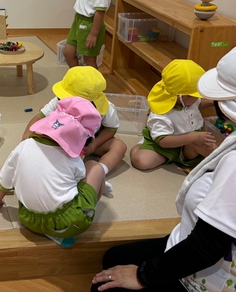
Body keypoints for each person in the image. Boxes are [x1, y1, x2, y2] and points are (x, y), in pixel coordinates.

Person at [91, 47, 236, 292]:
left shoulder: (232, 165)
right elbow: (162, 139)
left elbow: (206, 247)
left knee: (103, 282)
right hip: (167, 147)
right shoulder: (163, 111)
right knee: (112, 257)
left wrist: (142, 276)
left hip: (202, 276)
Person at [0, 96, 106, 248]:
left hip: (28, 219)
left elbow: (5, 179)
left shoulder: (24, 145)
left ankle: (49, 229)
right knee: (95, 167)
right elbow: (79, 179)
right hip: (70, 224)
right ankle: (86, 212)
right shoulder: (72, 159)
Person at [22, 66, 127, 192]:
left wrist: (94, 144)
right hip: (64, 140)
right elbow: (39, 117)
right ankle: (63, 173)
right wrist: (26, 140)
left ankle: (98, 173)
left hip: (91, 142)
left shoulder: (106, 108)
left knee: (119, 146)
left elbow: (111, 128)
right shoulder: (58, 100)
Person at [130, 59, 217, 171]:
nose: (198, 98)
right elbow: (163, 141)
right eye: (194, 96)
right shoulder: (161, 113)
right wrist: (191, 137)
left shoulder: (190, 101)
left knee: (213, 149)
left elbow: (199, 104)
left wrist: (216, 102)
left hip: (189, 144)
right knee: (141, 161)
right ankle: (139, 147)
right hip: (163, 146)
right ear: (178, 96)